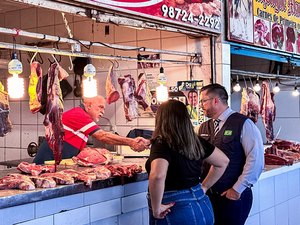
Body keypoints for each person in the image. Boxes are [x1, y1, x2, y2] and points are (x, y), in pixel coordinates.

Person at [146, 100, 229, 225]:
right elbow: (223, 161)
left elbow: (157, 175)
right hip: (203, 205)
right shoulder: (195, 141)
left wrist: (156, 208)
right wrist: (204, 187)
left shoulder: (162, 142)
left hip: (176, 209)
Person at [197, 83, 264, 225]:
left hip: (232, 196)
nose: (201, 105)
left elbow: (256, 160)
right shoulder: (204, 127)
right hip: (209, 197)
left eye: (203, 101)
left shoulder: (244, 124)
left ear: (216, 100)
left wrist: (237, 189)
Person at [33, 95, 150, 164]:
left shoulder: (82, 117)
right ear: (88, 105)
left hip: (55, 164)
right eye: (100, 107)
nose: (103, 112)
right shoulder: (78, 114)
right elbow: (102, 136)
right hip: (45, 163)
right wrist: (131, 142)